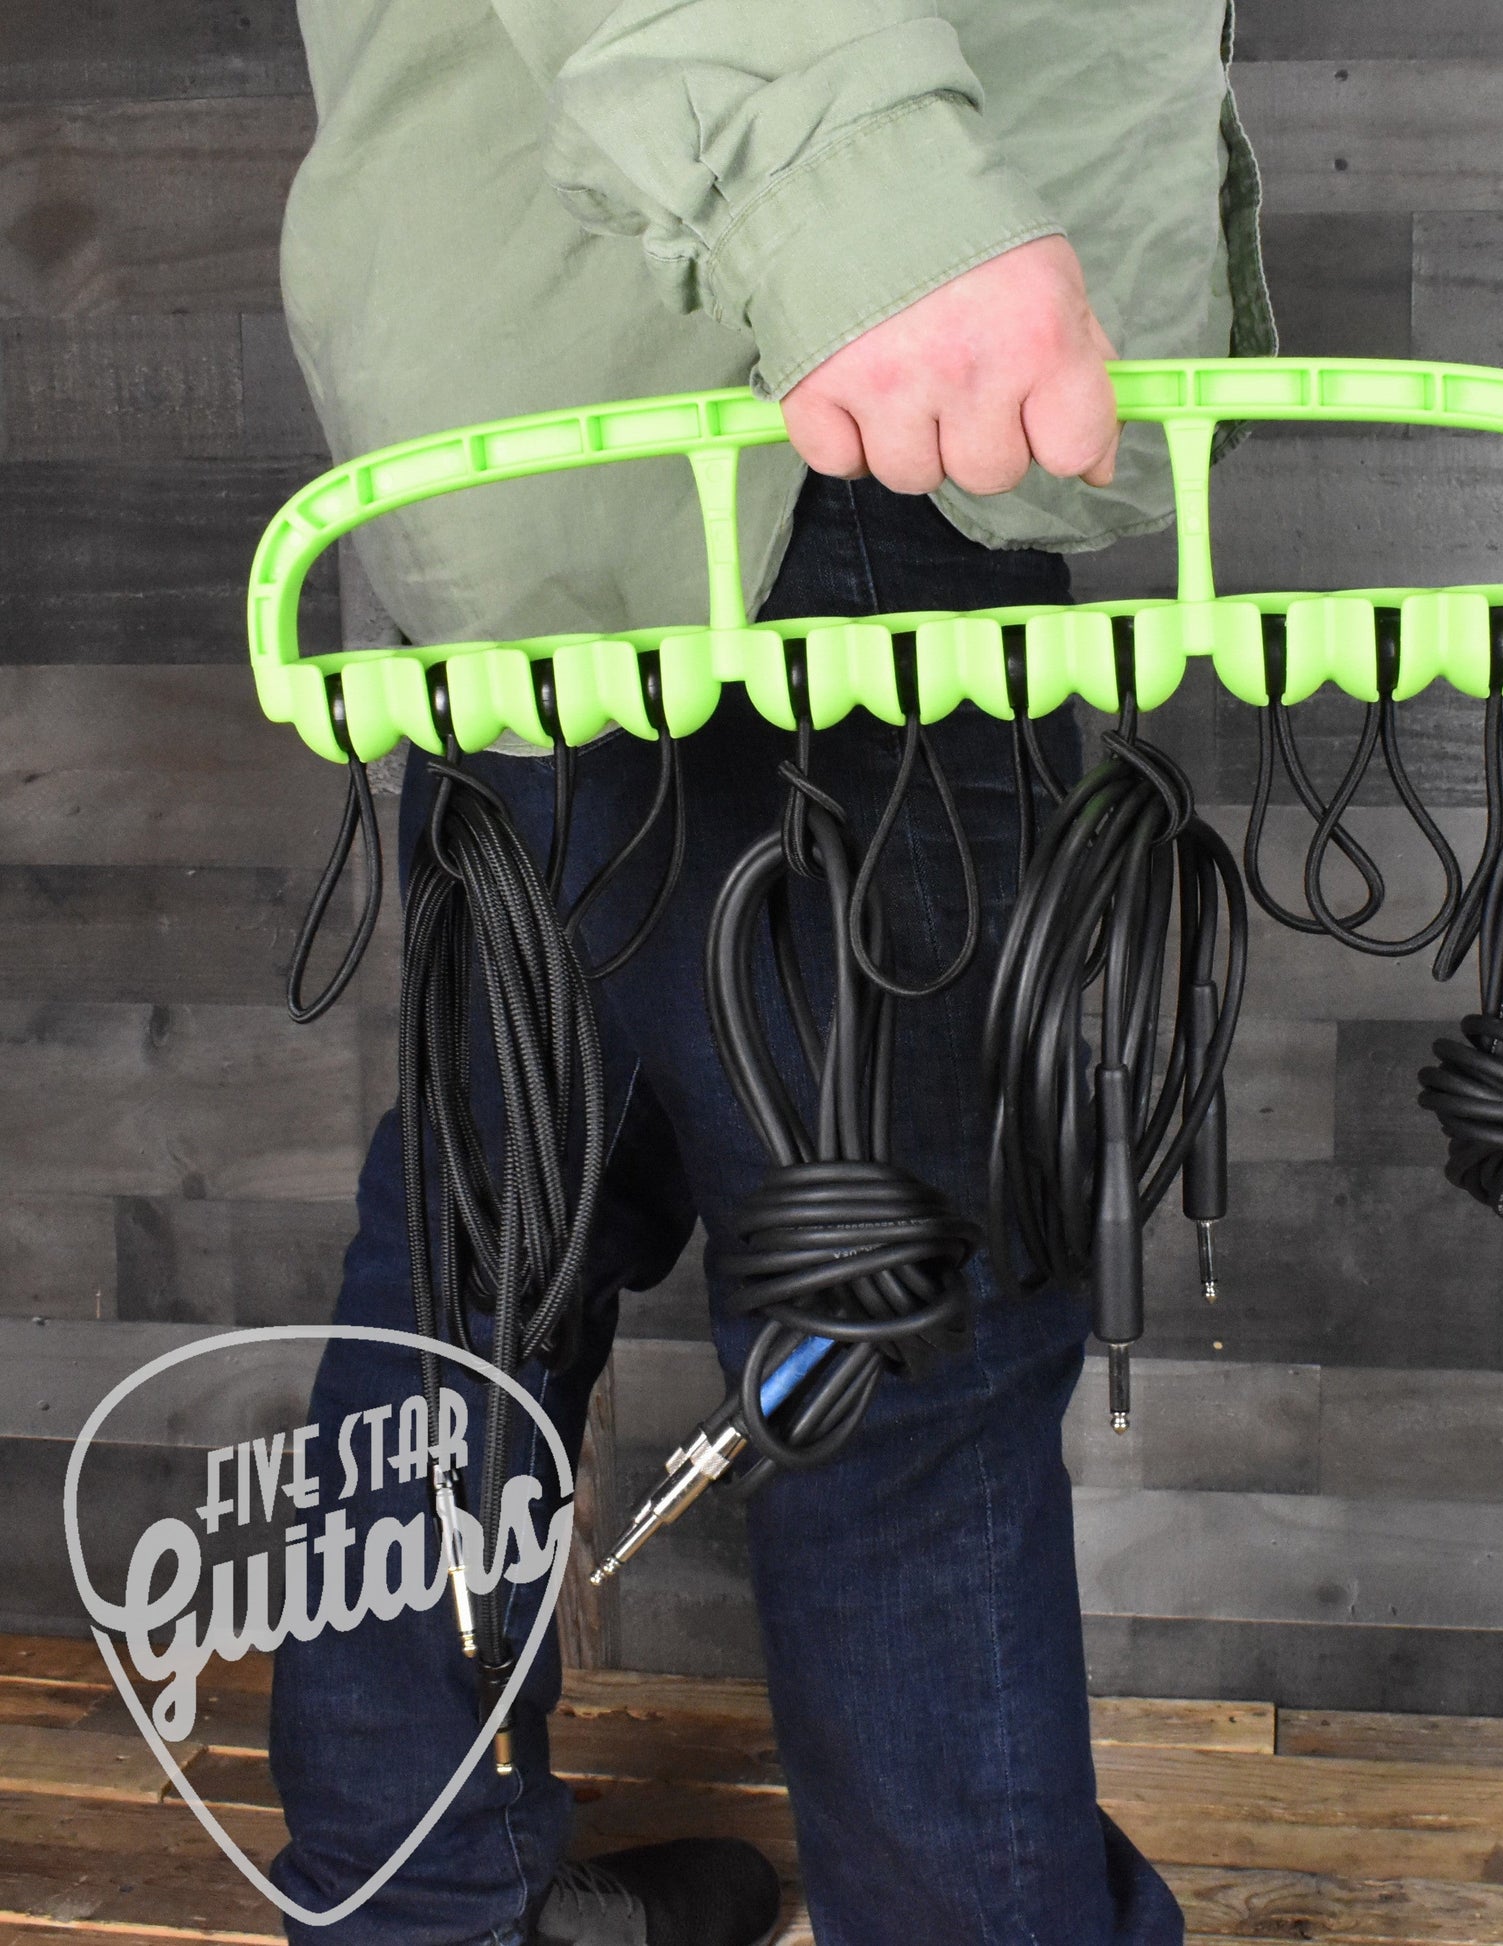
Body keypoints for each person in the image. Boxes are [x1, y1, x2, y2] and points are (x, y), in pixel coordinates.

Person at [268, 4, 1272, 1943]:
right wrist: (867, 196)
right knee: (898, 1301)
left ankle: (411, 1896)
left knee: (494, 1229)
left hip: (542, 442)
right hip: (819, 391)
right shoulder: (850, 256)